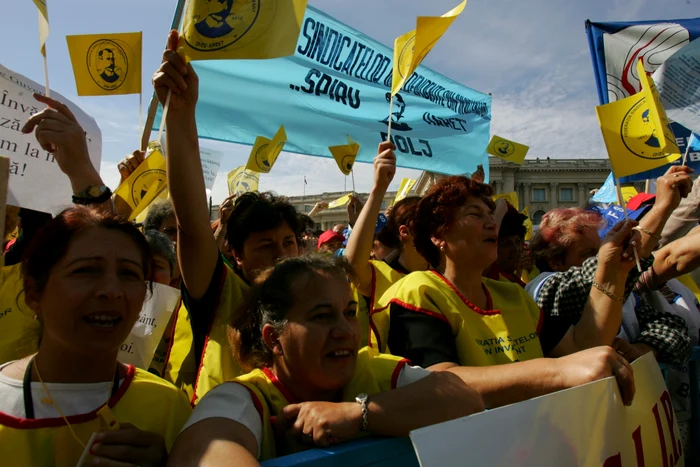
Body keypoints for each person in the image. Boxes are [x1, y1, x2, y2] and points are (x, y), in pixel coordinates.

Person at [168, 256, 483, 465]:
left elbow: (465, 400)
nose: (346, 331)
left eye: (349, 313)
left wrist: (357, 415)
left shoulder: (374, 371)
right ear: (273, 338)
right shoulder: (243, 398)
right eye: (321, 316)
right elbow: (205, 453)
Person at [372, 175, 638, 409]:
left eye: (491, 215)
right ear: (437, 235)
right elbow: (439, 384)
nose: (492, 224)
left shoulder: (512, 295)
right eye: (475, 214)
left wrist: (614, 271)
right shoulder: (417, 291)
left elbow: (582, 347)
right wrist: (557, 371)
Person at [152, 31, 301, 405]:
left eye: (288, 242)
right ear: (235, 254)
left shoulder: (321, 296)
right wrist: (182, 114)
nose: (282, 254)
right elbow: (190, 221)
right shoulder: (221, 296)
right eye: (265, 246)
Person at [0, 206, 192, 465]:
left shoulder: (170, 408)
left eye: (129, 274)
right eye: (86, 270)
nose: (112, 291)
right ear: (34, 292)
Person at [527, 165, 696, 365]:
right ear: (556, 261)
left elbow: (673, 326)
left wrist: (642, 348)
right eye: (589, 254)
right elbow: (592, 278)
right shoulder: (544, 288)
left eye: (599, 250)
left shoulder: (624, 292)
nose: (602, 256)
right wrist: (661, 208)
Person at [345, 142, 429, 341]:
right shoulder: (383, 274)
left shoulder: (446, 272)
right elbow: (352, 266)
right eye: (430, 224)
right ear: (405, 232)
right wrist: (379, 188)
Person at [483, 202, 528, 286]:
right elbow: (502, 204)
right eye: (506, 243)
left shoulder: (521, 285)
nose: (515, 248)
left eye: (517, 241)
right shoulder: (488, 276)